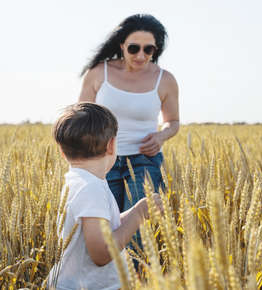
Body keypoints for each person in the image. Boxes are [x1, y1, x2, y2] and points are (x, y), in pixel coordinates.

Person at [48, 102, 163, 290]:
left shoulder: (78, 181)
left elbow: (106, 227)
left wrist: (136, 209)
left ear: (61, 151)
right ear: (111, 145)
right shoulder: (91, 189)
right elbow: (101, 253)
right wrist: (138, 215)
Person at [78, 14, 179, 213]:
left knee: (137, 233)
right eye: (134, 48)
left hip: (145, 161)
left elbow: (173, 122)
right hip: (103, 159)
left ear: (155, 49)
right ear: (122, 45)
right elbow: (81, 117)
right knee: (106, 226)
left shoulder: (165, 80)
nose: (141, 55)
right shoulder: (99, 73)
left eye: (148, 49)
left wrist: (160, 136)